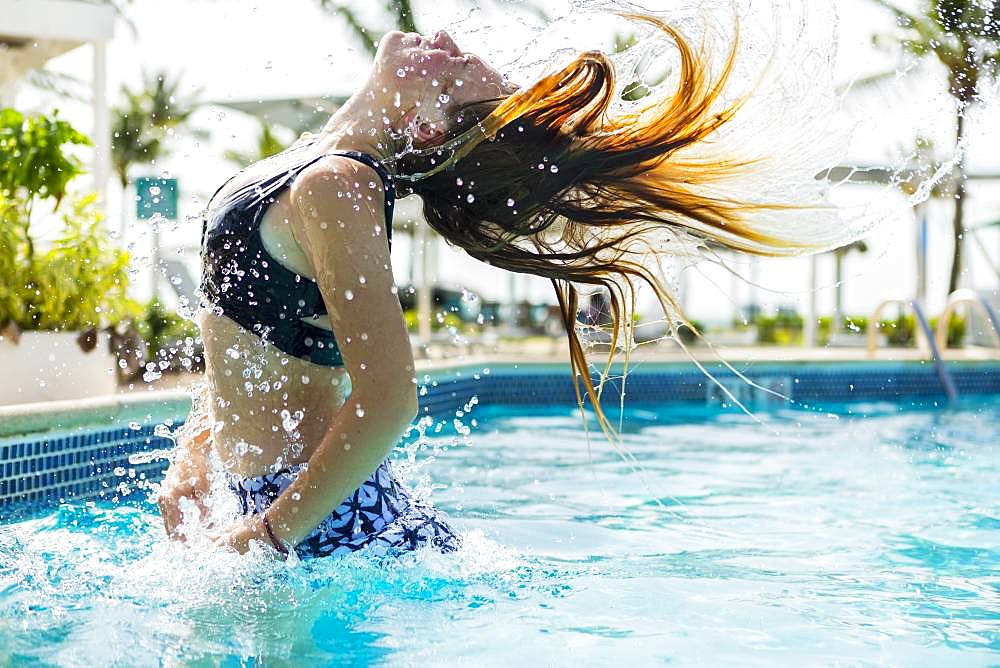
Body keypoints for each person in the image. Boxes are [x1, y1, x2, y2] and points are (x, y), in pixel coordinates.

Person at [159, 15, 851, 559]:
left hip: (320, 521)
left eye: (456, 69)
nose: (449, 41)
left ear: (426, 125)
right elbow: (252, 314)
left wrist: (270, 535)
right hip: (293, 506)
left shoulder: (341, 187)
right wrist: (195, 453)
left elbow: (390, 401)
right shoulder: (319, 166)